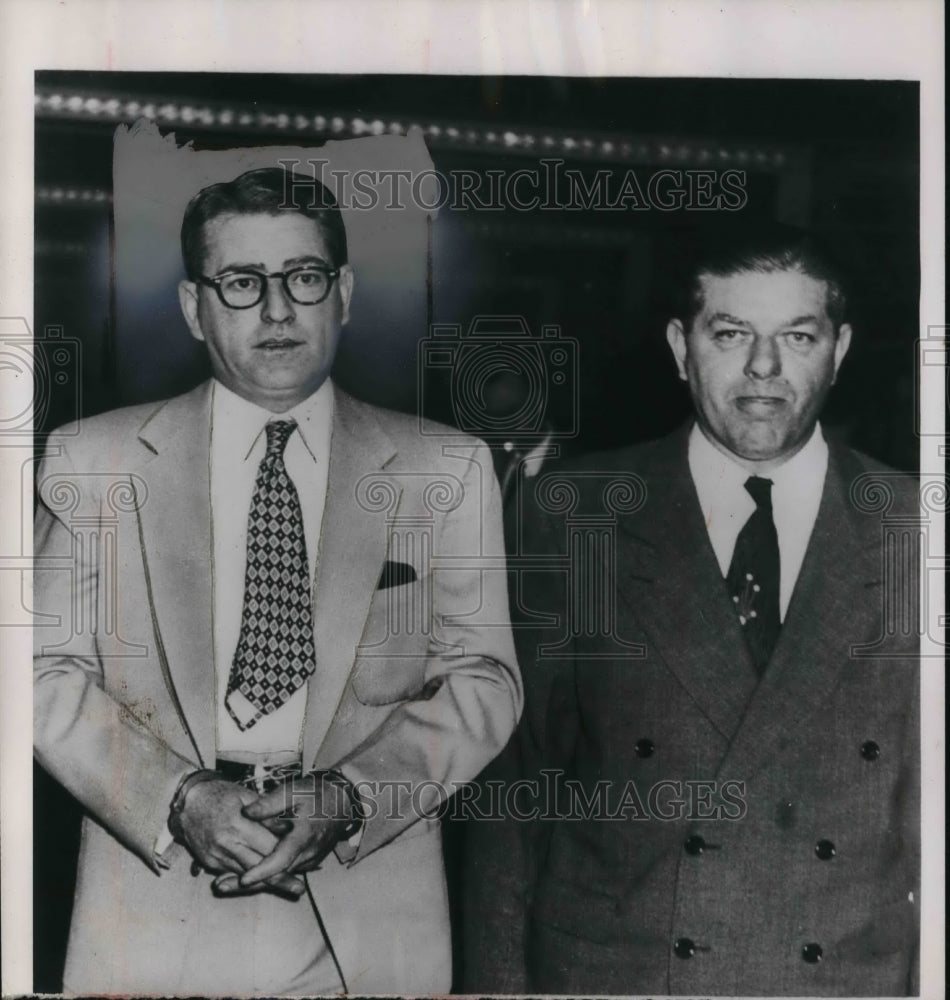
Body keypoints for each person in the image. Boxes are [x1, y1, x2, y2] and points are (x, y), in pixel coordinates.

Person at [33, 166, 522, 996]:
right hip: (154, 894)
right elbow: (37, 675)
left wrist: (353, 797)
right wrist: (179, 798)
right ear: (194, 307)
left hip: (365, 908)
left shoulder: (449, 466)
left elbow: (484, 681)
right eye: (241, 282)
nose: (276, 310)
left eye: (303, 276)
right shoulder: (95, 459)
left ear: (345, 294)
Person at [464, 223, 919, 996]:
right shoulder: (575, 514)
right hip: (618, 973)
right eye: (732, 333)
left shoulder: (913, 528)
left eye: (797, 336)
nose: (764, 368)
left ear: (839, 351)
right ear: (681, 347)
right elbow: (511, 801)